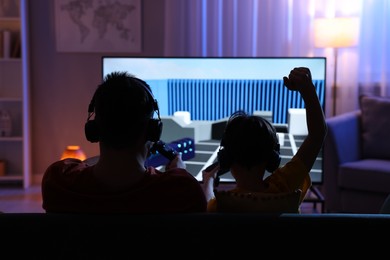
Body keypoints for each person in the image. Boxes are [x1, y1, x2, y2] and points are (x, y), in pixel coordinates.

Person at [41, 71, 207, 213]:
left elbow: (82, 168)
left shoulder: (57, 182)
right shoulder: (183, 190)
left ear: (94, 130)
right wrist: (179, 172)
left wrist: (112, 158)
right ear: (153, 130)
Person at [202, 67, 327, 212]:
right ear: (273, 158)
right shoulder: (285, 186)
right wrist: (307, 90)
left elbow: (207, 209)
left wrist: (208, 182)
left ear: (225, 158)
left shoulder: (220, 205)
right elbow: (318, 135)